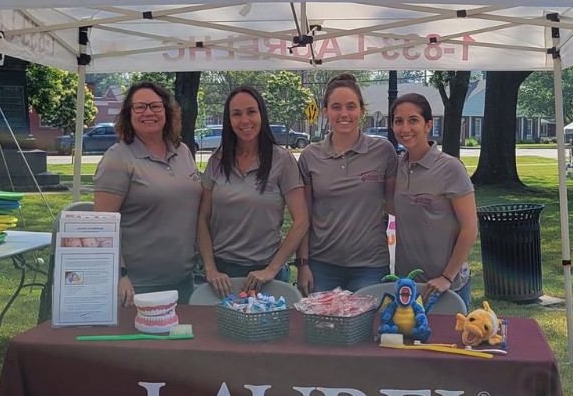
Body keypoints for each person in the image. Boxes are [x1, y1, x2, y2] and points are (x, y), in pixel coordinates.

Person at [92, 80, 203, 306]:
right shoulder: (118, 158)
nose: (148, 113)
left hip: (184, 281)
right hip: (137, 287)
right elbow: (101, 225)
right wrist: (120, 274)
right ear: (128, 114)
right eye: (139, 107)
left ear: (167, 111)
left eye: (155, 106)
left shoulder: (182, 152)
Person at [197, 85, 309, 296]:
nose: (244, 120)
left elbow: (301, 220)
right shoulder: (217, 161)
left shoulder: (282, 160)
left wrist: (271, 269)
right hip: (222, 276)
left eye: (251, 112)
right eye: (236, 114)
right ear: (229, 120)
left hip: (265, 274)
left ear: (261, 115)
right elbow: (202, 218)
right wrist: (210, 268)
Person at [296, 73, 396, 294]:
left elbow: (393, 205)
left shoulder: (383, 151)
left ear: (361, 111)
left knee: (366, 327)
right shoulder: (310, 156)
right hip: (321, 265)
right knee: (321, 327)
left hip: (370, 266)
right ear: (325, 112)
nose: (344, 114)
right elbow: (304, 217)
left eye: (351, 106)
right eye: (336, 107)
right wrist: (303, 264)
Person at [389, 92, 479, 309]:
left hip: (446, 286)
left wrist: (446, 277)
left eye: (413, 120)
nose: (405, 128)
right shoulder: (396, 167)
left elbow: (470, 228)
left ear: (428, 125)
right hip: (407, 286)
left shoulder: (450, 168)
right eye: (398, 121)